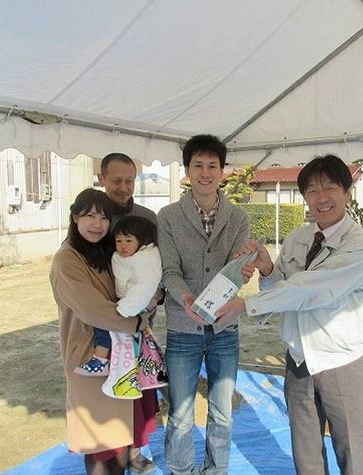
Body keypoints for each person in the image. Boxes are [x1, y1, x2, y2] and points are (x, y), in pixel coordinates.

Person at [216, 154, 363, 475]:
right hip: (298, 360)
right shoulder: (298, 238)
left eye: (330, 188)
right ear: (304, 196)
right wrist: (267, 269)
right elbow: (283, 286)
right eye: (312, 190)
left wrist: (245, 305)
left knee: (350, 450)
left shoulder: (361, 247)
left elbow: (311, 288)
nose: (321, 197)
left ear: (347, 193)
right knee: (305, 451)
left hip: (341, 362)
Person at [157, 134, 250, 475]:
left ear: (223, 172)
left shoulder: (238, 217)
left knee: (222, 412)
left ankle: (216, 470)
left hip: (224, 328)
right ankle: (181, 470)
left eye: (213, 166)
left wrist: (244, 271)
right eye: (198, 165)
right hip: (183, 328)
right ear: (187, 171)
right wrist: (185, 297)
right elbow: (169, 270)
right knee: (180, 413)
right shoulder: (168, 216)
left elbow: (237, 271)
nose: (206, 173)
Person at [50, 188, 156, 475]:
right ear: (75, 217)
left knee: (120, 439)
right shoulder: (67, 259)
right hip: (90, 357)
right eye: (89, 216)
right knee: (102, 445)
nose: (97, 224)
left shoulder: (106, 252)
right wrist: (136, 323)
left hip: (120, 356)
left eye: (104, 217)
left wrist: (152, 295)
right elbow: (91, 309)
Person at [98, 152, 160, 474]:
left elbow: (158, 266)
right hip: (102, 320)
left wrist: (158, 295)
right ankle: (112, 458)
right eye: (116, 180)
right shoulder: (95, 215)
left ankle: (135, 452)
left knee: (138, 393)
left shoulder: (147, 217)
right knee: (107, 397)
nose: (124, 187)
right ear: (102, 179)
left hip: (139, 323)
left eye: (129, 180)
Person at [100, 215, 167, 399]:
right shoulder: (125, 257)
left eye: (128, 241)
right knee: (129, 344)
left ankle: (122, 379)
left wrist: (124, 309)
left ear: (142, 241)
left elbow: (145, 286)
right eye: (118, 241)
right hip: (130, 305)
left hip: (136, 306)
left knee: (124, 343)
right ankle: (128, 380)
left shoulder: (146, 259)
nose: (122, 245)